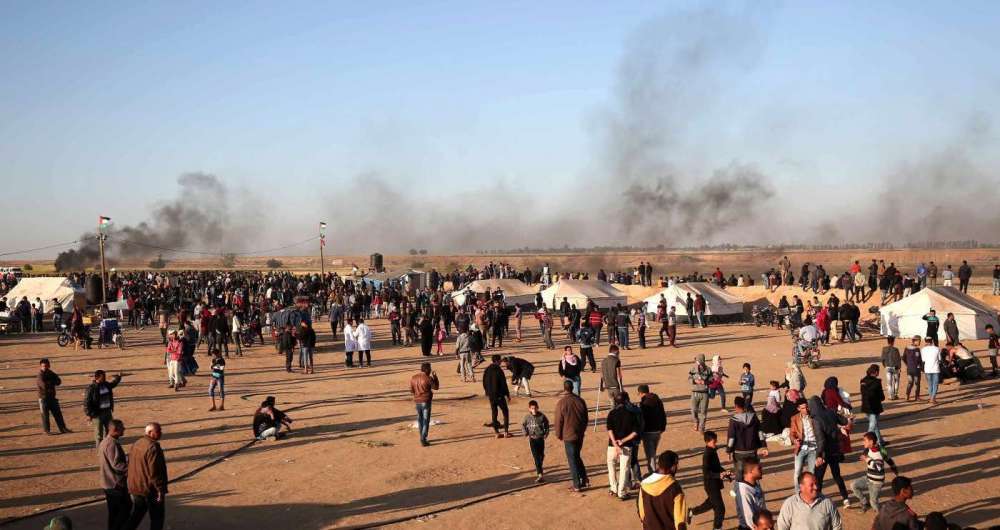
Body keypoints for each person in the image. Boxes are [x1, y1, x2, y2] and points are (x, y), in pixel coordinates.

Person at [126, 423, 168, 530]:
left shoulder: (137, 443)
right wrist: (160, 490)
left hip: (136, 487)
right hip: (149, 489)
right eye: (158, 431)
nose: (161, 433)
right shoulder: (153, 447)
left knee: (136, 515)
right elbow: (154, 472)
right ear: (150, 432)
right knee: (157, 518)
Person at [689, 431, 730, 530]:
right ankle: (717, 528)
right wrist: (718, 475)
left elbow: (717, 467)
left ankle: (691, 512)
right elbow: (706, 472)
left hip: (714, 483)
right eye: (714, 442)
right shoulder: (707, 454)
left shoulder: (712, 451)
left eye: (716, 441)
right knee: (720, 508)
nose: (715, 444)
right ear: (707, 442)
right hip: (711, 485)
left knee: (710, 504)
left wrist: (726, 474)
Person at [638, 451, 688, 530]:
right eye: (676, 464)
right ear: (672, 467)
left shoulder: (644, 483)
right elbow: (680, 520)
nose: (677, 467)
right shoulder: (675, 488)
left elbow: (641, 513)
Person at [554, 379, 589, 491]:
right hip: (579, 433)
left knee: (572, 460)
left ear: (564, 388)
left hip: (568, 435)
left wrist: (558, 434)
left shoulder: (561, 403)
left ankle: (576, 484)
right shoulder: (580, 400)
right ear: (572, 388)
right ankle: (584, 479)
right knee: (577, 456)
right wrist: (582, 430)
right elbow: (585, 418)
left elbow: (558, 420)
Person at [776, 472, 842, 530]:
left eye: (816, 483)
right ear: (801, 487)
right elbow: (782, 527)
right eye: (811, 485)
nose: (816, 487)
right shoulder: (790, 504)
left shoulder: (827, 503)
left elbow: (837, 526)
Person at [606, 392, 639, 500]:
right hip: (626, 445)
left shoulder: (611, 413)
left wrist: (615, 444)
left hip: (612, 446)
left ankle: (613, 488)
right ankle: (621, 492)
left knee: (611, 467)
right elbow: (635, 432)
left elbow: (609, 430)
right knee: (624, 469)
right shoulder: (631, 414)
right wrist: (622, 441)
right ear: (626, 401)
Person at [726, 396, 768, 481]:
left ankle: (739, 491)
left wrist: (729, 450)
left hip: (738, 452)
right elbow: (760, 432)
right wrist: (764, 446)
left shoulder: (733, 420)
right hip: (752, 450)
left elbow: (731, 437)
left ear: (736, 406)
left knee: (739, 474)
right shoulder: (754, 417)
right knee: (752, 472)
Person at [99, 419, 131, 530]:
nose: (124, 429)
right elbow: (117, 465)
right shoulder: (112, 444)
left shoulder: (105, 441)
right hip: (115, 484)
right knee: (125, 510)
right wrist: (132, 468)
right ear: (115, 430)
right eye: (122, 428)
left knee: (114, 513)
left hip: (108, 483)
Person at [790, 398, 823, 491]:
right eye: (803, 408)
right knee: (797, 472)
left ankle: (810, 491)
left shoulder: (814, 417)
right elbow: (792, 433)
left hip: (813, 449)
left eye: (807, 407)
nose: (806, 410)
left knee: (812, 472)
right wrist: (794, 440)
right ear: (798, 409)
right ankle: (797, 492)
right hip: (801, 448)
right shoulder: (794, 418)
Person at [84, 369, 123, 447]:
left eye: (104, 376)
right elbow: (87, 402)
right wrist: (88, 414)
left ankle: (109, 448)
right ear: (97, 378)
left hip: (107, 412)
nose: (104, 378)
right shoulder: (91, 388)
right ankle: (100, 451)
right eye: (103, 377)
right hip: (97, 414)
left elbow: (113, 384)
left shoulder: (106, 384)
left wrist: (118, 377)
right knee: (99, 434)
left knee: (110, 431)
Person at [638, 384, 666, 475]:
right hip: (658, 431)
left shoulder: (643, 404)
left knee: (650, 455)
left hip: (648, 432)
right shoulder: (657, 400)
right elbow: (663, 414)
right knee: (652, 452)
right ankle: (653, 471)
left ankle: (653, 473)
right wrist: (662, 427)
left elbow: (642, 419)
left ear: (641, 393)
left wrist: (640, 432)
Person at [37, 358, 70, 434]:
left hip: (52, 397)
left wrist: (50, 382)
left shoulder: (50, 372)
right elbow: (44, 386)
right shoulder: (40, 375)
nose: (44, 368)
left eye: (46, 366)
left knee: (58, 414)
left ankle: (63, 428)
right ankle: (47, 431)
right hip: (43, 398)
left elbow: (59, 381)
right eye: (43, 366)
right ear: (40, 366)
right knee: (45, 415)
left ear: (49, 366)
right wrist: (52, 382)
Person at [734, 455, 767, 530]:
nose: (762, 470)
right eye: (759, 468)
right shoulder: (744, 491)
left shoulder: (756, 483)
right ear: (751, 471)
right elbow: (748, 517)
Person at [410, 362, 439, 446]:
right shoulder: (428, 378)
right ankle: (423, 438)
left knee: (420, 419)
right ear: (427, 369)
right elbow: (436, 387)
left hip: (417, 401)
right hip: (426, 401)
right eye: (429, 368)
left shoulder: (413, 378)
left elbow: (411, 390)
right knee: (426, 420)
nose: (430, 370)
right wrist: (435, 377)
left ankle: (421, 436)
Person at [483, 355, 512, 438]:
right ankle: (506, 431)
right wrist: (507, 394)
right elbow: (503, 384)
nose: (500, 362)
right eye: (500, 361)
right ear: (497, 361)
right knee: (505, 412)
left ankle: (496, 432)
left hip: (491, 395)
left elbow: (484, 382)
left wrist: (487, 392)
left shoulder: (487, 370)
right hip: (499, 395)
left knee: (494, 412)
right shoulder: (499, 370)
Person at [522, 399, 549, 483]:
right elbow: (523, 425)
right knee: (536, 457)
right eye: (532, 408)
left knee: (541, 456)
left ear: (538, 408)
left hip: (540, 438)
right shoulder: (527, 417)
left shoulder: (542, 416)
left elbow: (547, 425)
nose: (534, 410)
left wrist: (546, 433)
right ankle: (540, 474)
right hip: (532, 439)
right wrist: (525, 432)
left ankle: (539, 465)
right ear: (529, 409)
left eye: (535, 408)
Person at [859, 364, 886, 446]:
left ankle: (880, 441)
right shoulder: (877, 382)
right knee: (872, 427)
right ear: (876, 372)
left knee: (875, 425)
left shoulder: (863, 381)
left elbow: (863, 393)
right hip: (874, 407)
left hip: (866, 407)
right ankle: (867, 443)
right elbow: (881, 397)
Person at [689, 354, 712, 432]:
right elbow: (689, 378)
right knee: (693, 410)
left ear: (701, 361)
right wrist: (694, 381)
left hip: (704, 393)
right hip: (694, 393)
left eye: (698, 360)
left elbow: (712, 381)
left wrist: (704, 381)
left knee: (703, 411)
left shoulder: (708, 370)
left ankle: (702, 427)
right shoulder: (693, 369)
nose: (696, 362)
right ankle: (696, 422)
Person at [920, 337, 941, 405]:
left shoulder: (923, 349)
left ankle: (931, 398)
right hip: (935, 369)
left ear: (925, 341)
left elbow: (923, 360)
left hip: (927, 369)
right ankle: (933, 398)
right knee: (935, 384)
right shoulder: (937, 348)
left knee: (930, 384)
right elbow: (940, 359)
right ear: (932, 341)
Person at [880, 337, 901, 401]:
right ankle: (895, 394)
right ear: (893, 342)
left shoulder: (884, 349)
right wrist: (899, 367)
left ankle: (890, 396)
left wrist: (885, 366)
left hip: (887, 367)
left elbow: (882, 359)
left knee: (889, 383)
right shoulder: (896, 349)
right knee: (896, 381)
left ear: (888, 341)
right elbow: (898, 359)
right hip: (895, 367)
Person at [903, 336, 923, 401]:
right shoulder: (917, 349)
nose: (920, 342)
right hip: (916, 369)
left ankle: (907, 396)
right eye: (919, 341)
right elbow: (920, 360)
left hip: (909, 369)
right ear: (915, 341)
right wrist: (921, 367)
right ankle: (917, 397)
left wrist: (908, 364)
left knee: (910, 383)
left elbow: (903, 358)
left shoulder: (906, 348)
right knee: (917, 383)